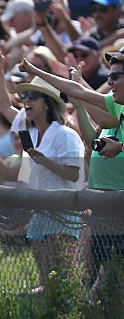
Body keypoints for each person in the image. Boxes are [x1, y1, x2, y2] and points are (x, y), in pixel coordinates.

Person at [20, 48, 124, 295]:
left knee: (113, 277)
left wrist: (120, 147)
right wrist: (35, 71)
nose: (109, 82)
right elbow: (78, 93)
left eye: (116, 77)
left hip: (117, 208)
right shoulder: (117, 110)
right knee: (100, 275)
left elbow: (81, 92)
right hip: (104, 206)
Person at [8, 66, 86, 293]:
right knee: (46, 275)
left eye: (33, 96)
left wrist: (45, 162)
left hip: (63, 213)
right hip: (38, 212)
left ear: (47, 103)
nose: (27, 101)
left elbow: (74, 174)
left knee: (64, 273)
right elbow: (27, 176)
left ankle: (71, 317)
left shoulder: (66, 135)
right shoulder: (29, 136)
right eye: (25, 97)